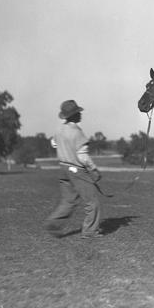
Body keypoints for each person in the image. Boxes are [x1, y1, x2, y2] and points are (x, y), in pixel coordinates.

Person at [44, 100, 103, 239]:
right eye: (78, 112)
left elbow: (53, 143)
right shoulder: (77, 133)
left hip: (63, 168)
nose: (80, 114)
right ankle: (90, 231)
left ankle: (53, 222)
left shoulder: (59, 129)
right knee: (92, 201)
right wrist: (93, 169)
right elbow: (83, 156)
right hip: (76, 169)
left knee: (68, 200)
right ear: (74, 115)